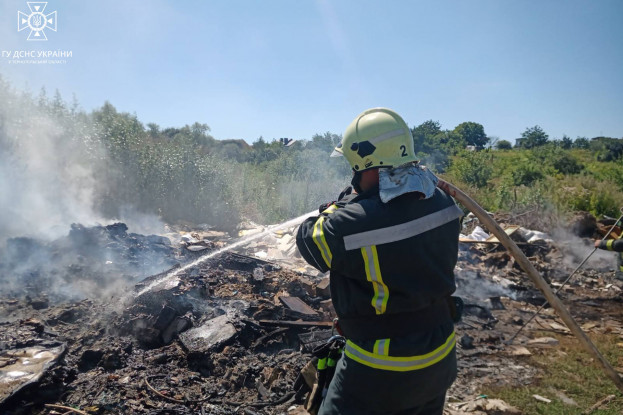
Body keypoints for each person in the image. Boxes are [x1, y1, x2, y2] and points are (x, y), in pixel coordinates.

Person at [296, 108, 463, 415]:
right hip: (439, 356)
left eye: (354, 167)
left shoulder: (353, 221)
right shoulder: (442, 201)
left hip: (381, 368)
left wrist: (339, 205)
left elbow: (308, 239)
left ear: (368, 165)